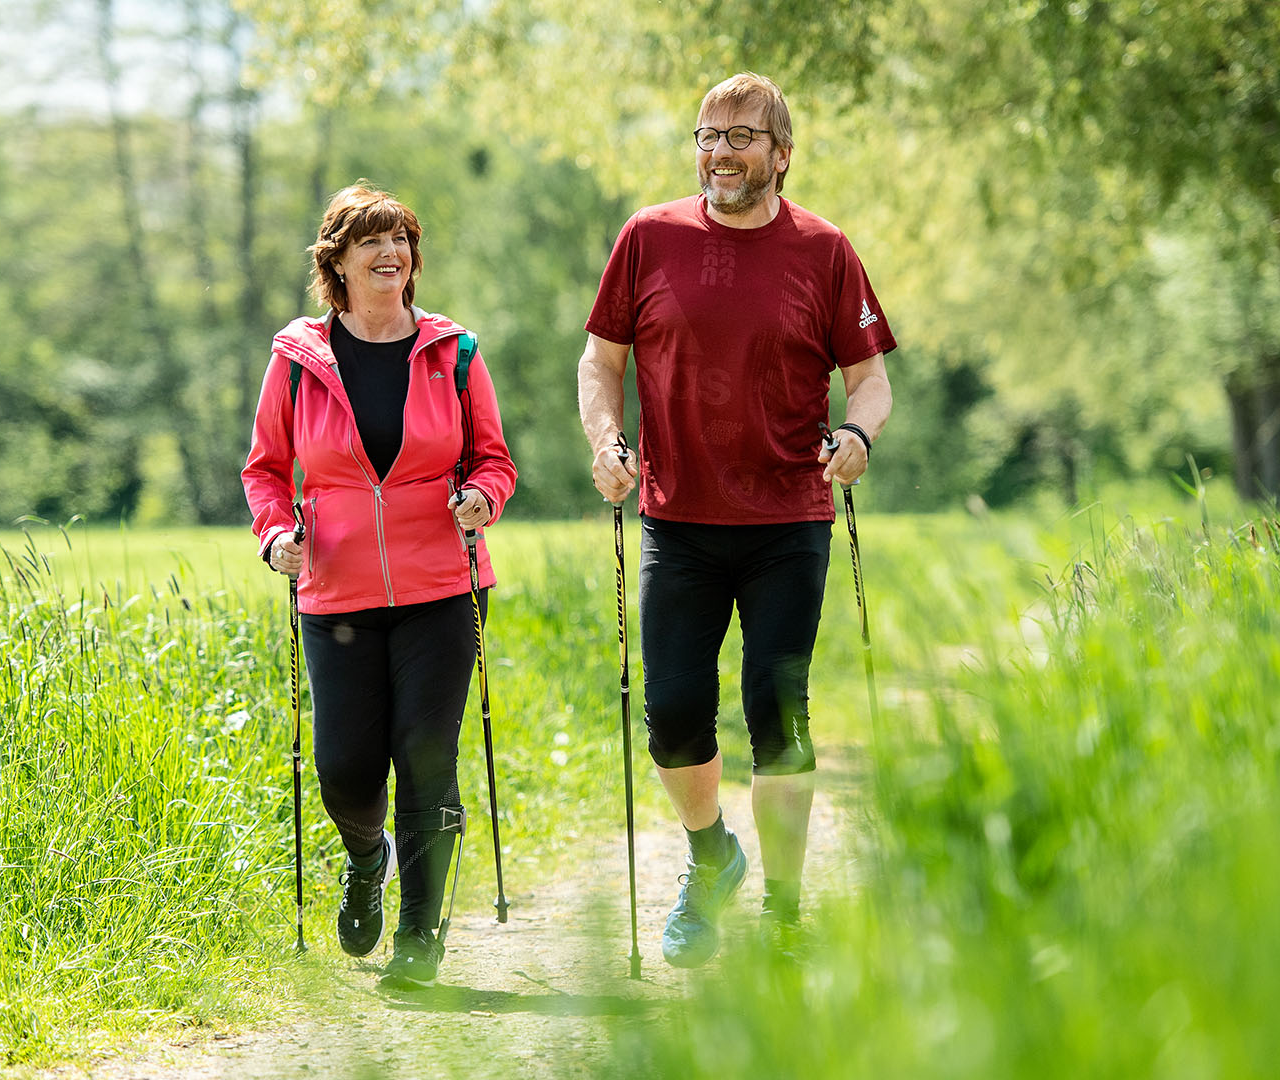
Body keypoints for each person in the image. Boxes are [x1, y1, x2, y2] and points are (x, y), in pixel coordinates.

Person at [577, 73, 895, 966]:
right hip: (677, 518)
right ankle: (711, 854)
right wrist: (606, 443)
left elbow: (870, 379)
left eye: (742, 136)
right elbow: (600, 363)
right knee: (675, 715)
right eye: (708, 135)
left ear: (782, 154)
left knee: (776, 713)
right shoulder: (648, 237)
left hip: (788, 517)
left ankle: (787, 915)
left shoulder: (825, 251)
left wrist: (859, 435)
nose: (721, 151)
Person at [243, 182, 516, 990]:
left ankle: (419, 939)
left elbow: (494, 458)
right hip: (337, 596)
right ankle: (369, 858)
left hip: (442, 588)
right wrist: (276, 537)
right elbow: (264, 471)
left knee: (426, 758)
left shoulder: (455, 352)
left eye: (400, 239)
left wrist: (481, 497)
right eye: (372, 242)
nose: (390, 253)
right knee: (346, 769)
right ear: (339, 262)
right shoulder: (297, 361)